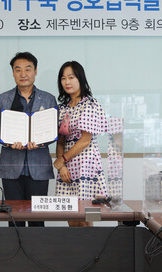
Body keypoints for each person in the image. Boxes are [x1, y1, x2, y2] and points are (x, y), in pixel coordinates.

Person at [0, 52, 57, 227]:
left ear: (35, 71)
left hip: (39, 167)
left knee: (37, 219)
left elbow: (54, 129)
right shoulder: (3, 99)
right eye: (18, 69)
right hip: (11, 167)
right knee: (14, 219)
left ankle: (37, 246)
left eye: (27, 69)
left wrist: (41, 141)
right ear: (13, 73)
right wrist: (7, 141)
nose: (23, 74)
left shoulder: (48, 99)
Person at [53, 61, 108, 226]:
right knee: (70, 215)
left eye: (71, 77)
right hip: (67, 165)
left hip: (85, 163)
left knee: (87, 216)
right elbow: (60, 140)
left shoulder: (90, 104)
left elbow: (85, 140)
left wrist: (62, 160)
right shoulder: (62, 108)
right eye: (63, 78)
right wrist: (62, 166)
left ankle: (91, 244)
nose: (67, 82)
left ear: (80, 79)